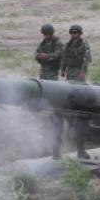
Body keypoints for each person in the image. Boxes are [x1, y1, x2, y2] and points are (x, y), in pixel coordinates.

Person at [61, 25, 92, 159]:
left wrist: (83, 72)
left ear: (80, 33)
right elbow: (64, 58)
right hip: (70, 72)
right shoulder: (68, 45)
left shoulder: (84, 45)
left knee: (79, 93)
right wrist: (62, 69)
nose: (74, 35)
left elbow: (86, 58)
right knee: (70, 92)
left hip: (79, 72)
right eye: (72, 33)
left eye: (76, 33)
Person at [35, 23, 64, 159]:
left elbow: (58, 55)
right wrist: (40, 57)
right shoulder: (43, 43)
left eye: (47, 34)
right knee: (42, 89)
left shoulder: (58, 43)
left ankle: (52, 106)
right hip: (44, 71)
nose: (46, 36)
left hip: (52, 71)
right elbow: (37, 54)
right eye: (44, 34)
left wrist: (46, 57)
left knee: (52, 90)